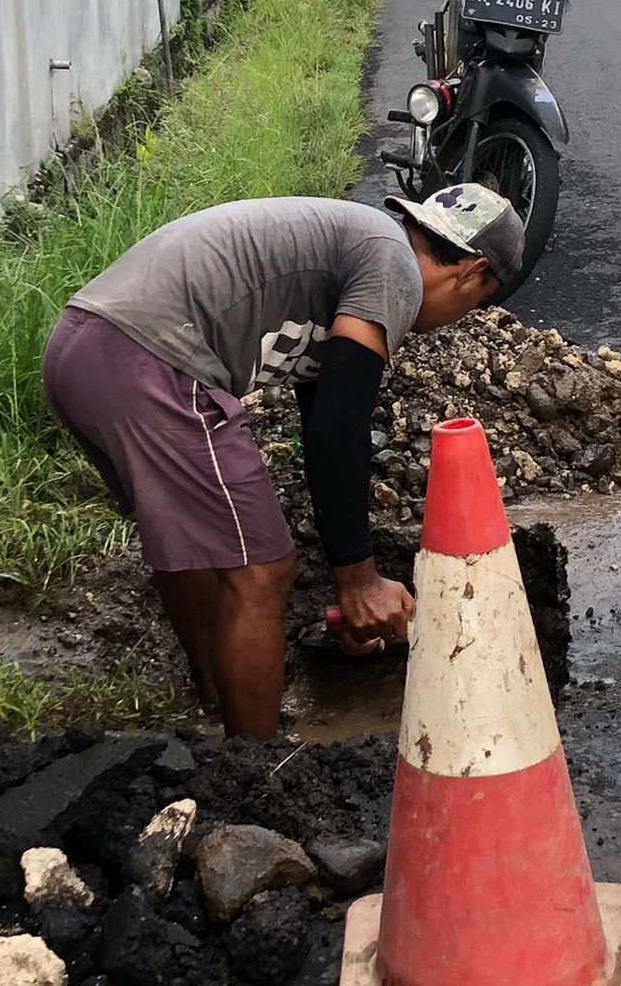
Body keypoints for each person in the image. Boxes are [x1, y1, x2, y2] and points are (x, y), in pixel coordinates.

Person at [42, 185, 525, 739]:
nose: (463, 316)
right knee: (263, 570)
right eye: (479, 300)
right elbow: (338, 428)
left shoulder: (355, 247)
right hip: (150, 359)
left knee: (197, 549)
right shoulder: (394, 265)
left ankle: (218, 696)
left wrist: (351, 570)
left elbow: (324, 416)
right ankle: (255, 768)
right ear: (471, 272)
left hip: (81, 349)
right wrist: (360, 582)